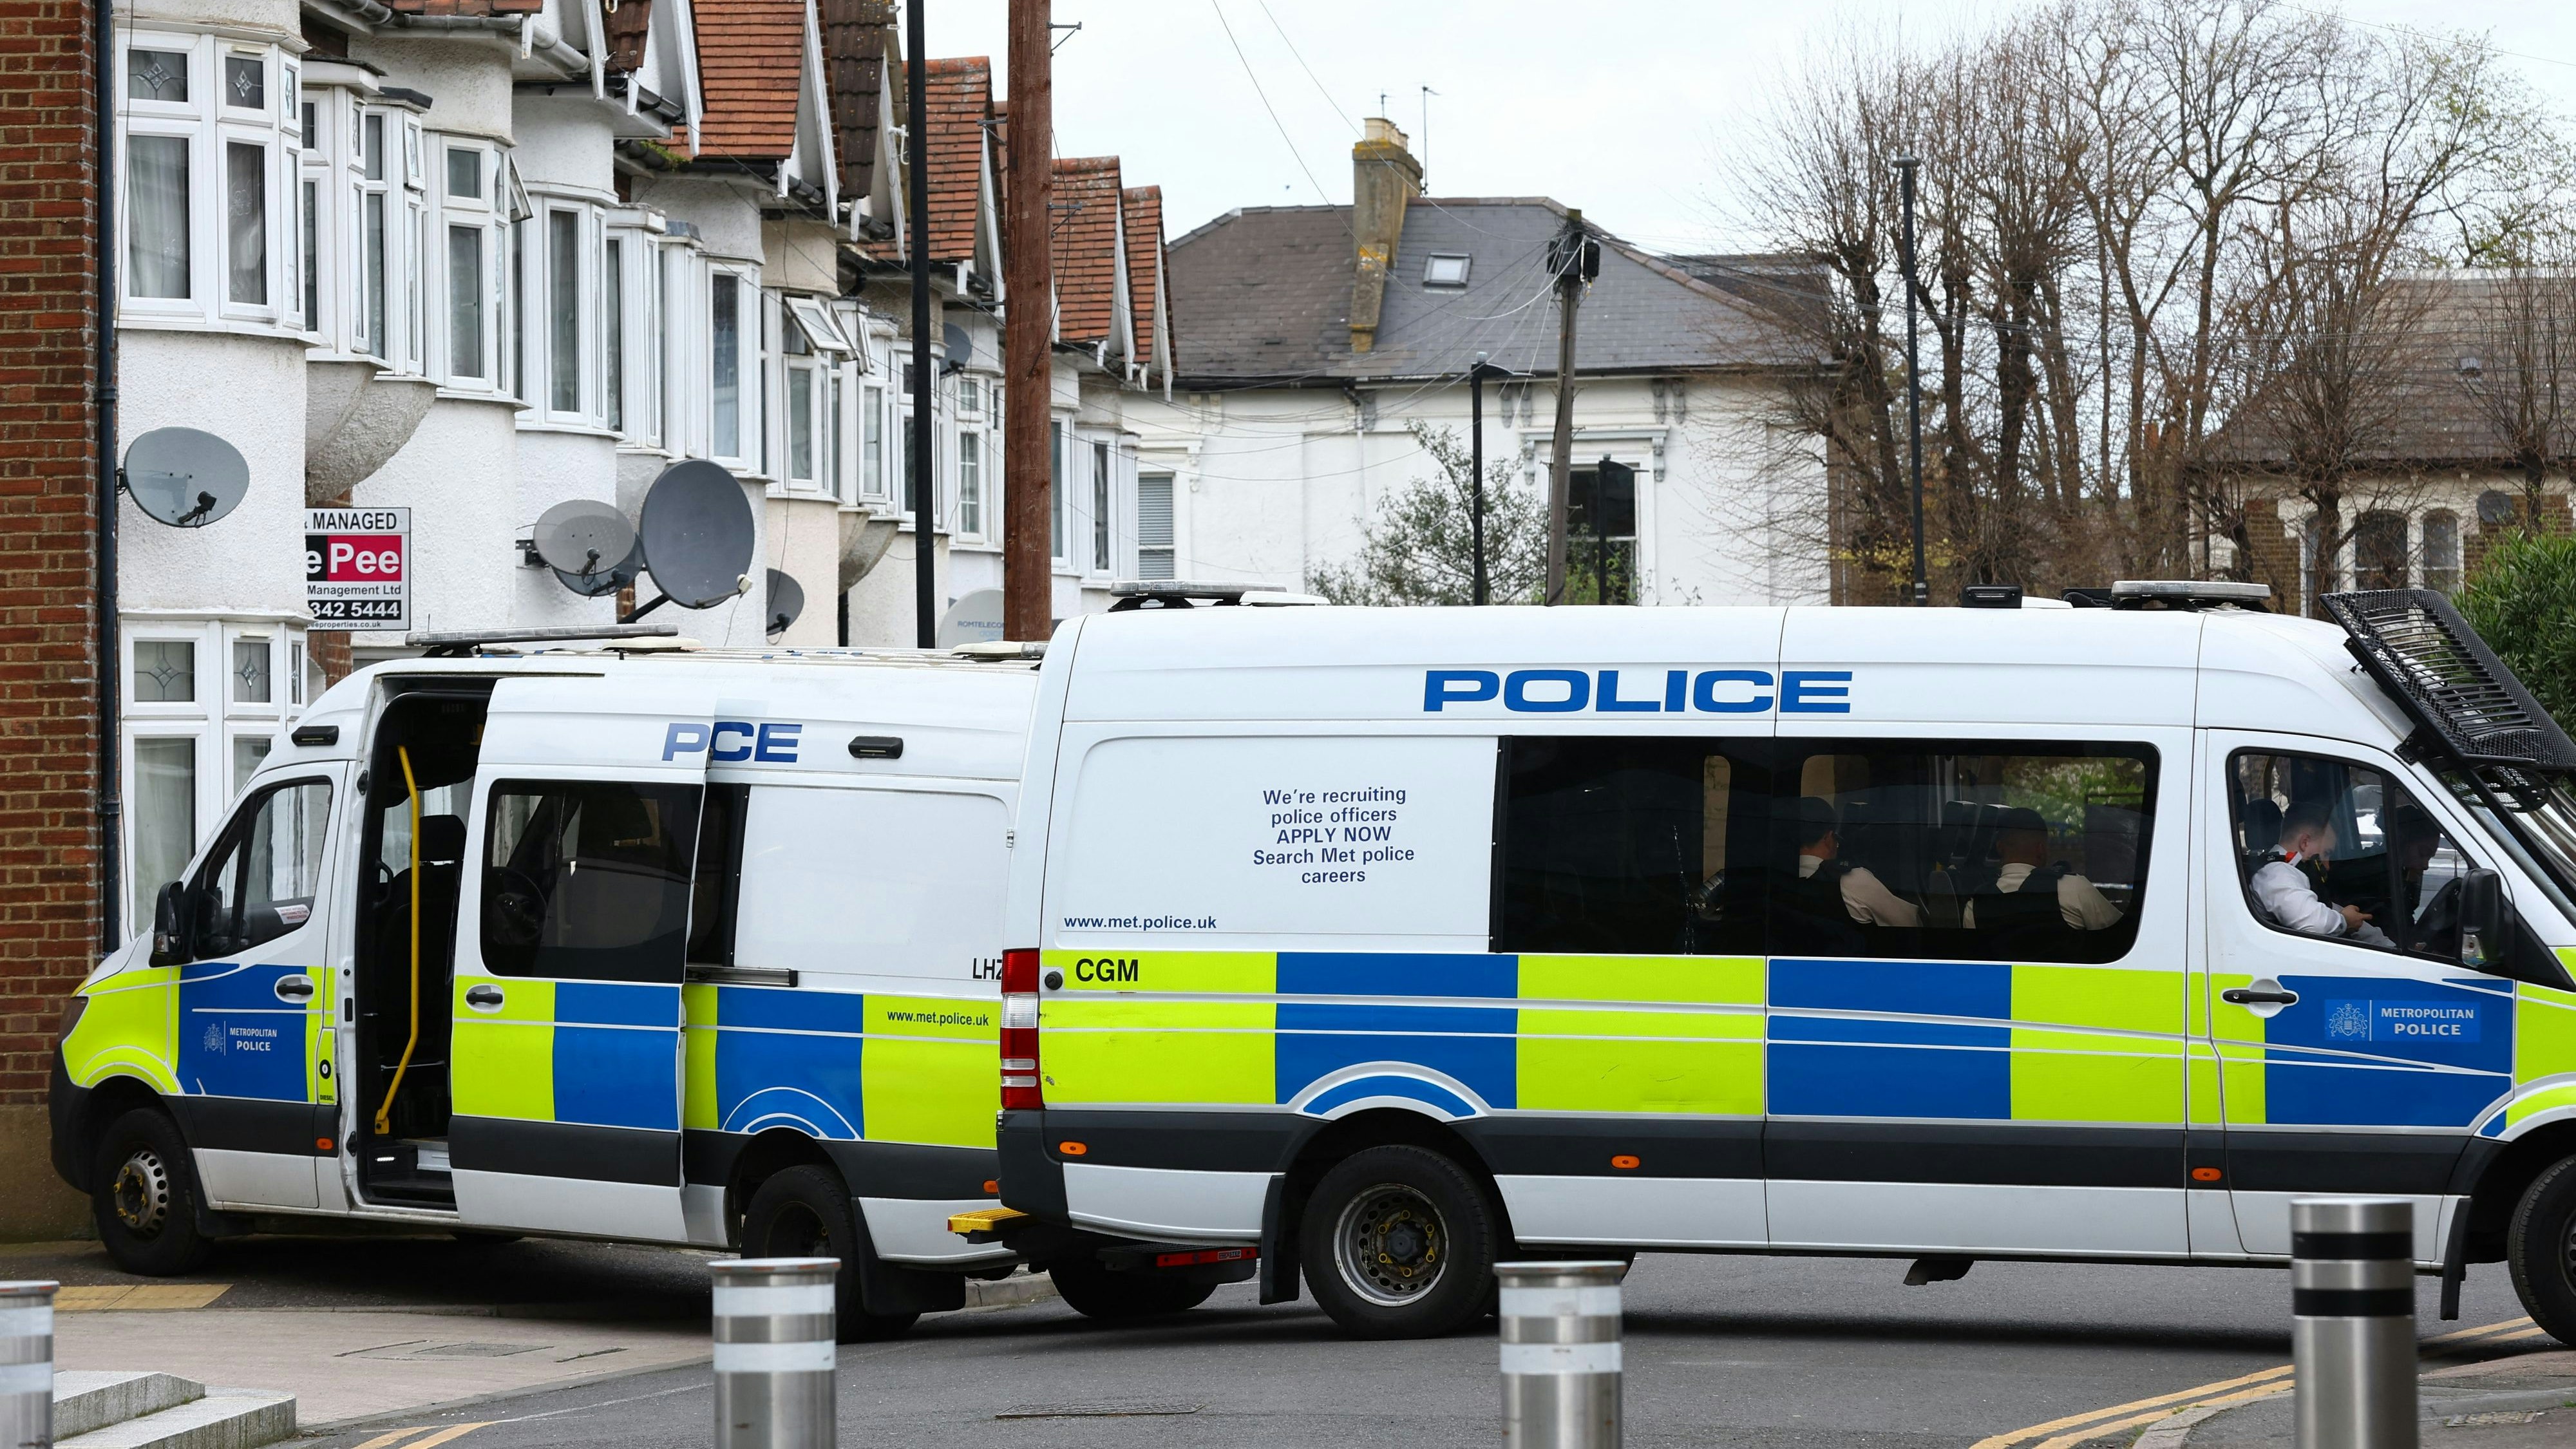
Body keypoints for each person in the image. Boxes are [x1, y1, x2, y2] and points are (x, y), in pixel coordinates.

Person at [2251, 799, 2391, 947]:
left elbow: (2328, 908)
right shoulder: (2277, 874)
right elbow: (2316, 924)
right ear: (2305, 842)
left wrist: (2386, 945)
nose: (2328, 865)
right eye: (2326, 853)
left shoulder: (2295, 871)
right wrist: (2344, 921)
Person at [1963, 808, 2123, 931]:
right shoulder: (2074, 890)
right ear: (2041, 849)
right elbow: (2121, 933)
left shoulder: (1975, 906)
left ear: (1999, 848)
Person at [1794, 796, 1922, 928]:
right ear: (1827, 838)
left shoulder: (1782, 878)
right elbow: (1910, 924)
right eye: (1836, 838)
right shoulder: (1852, 880)